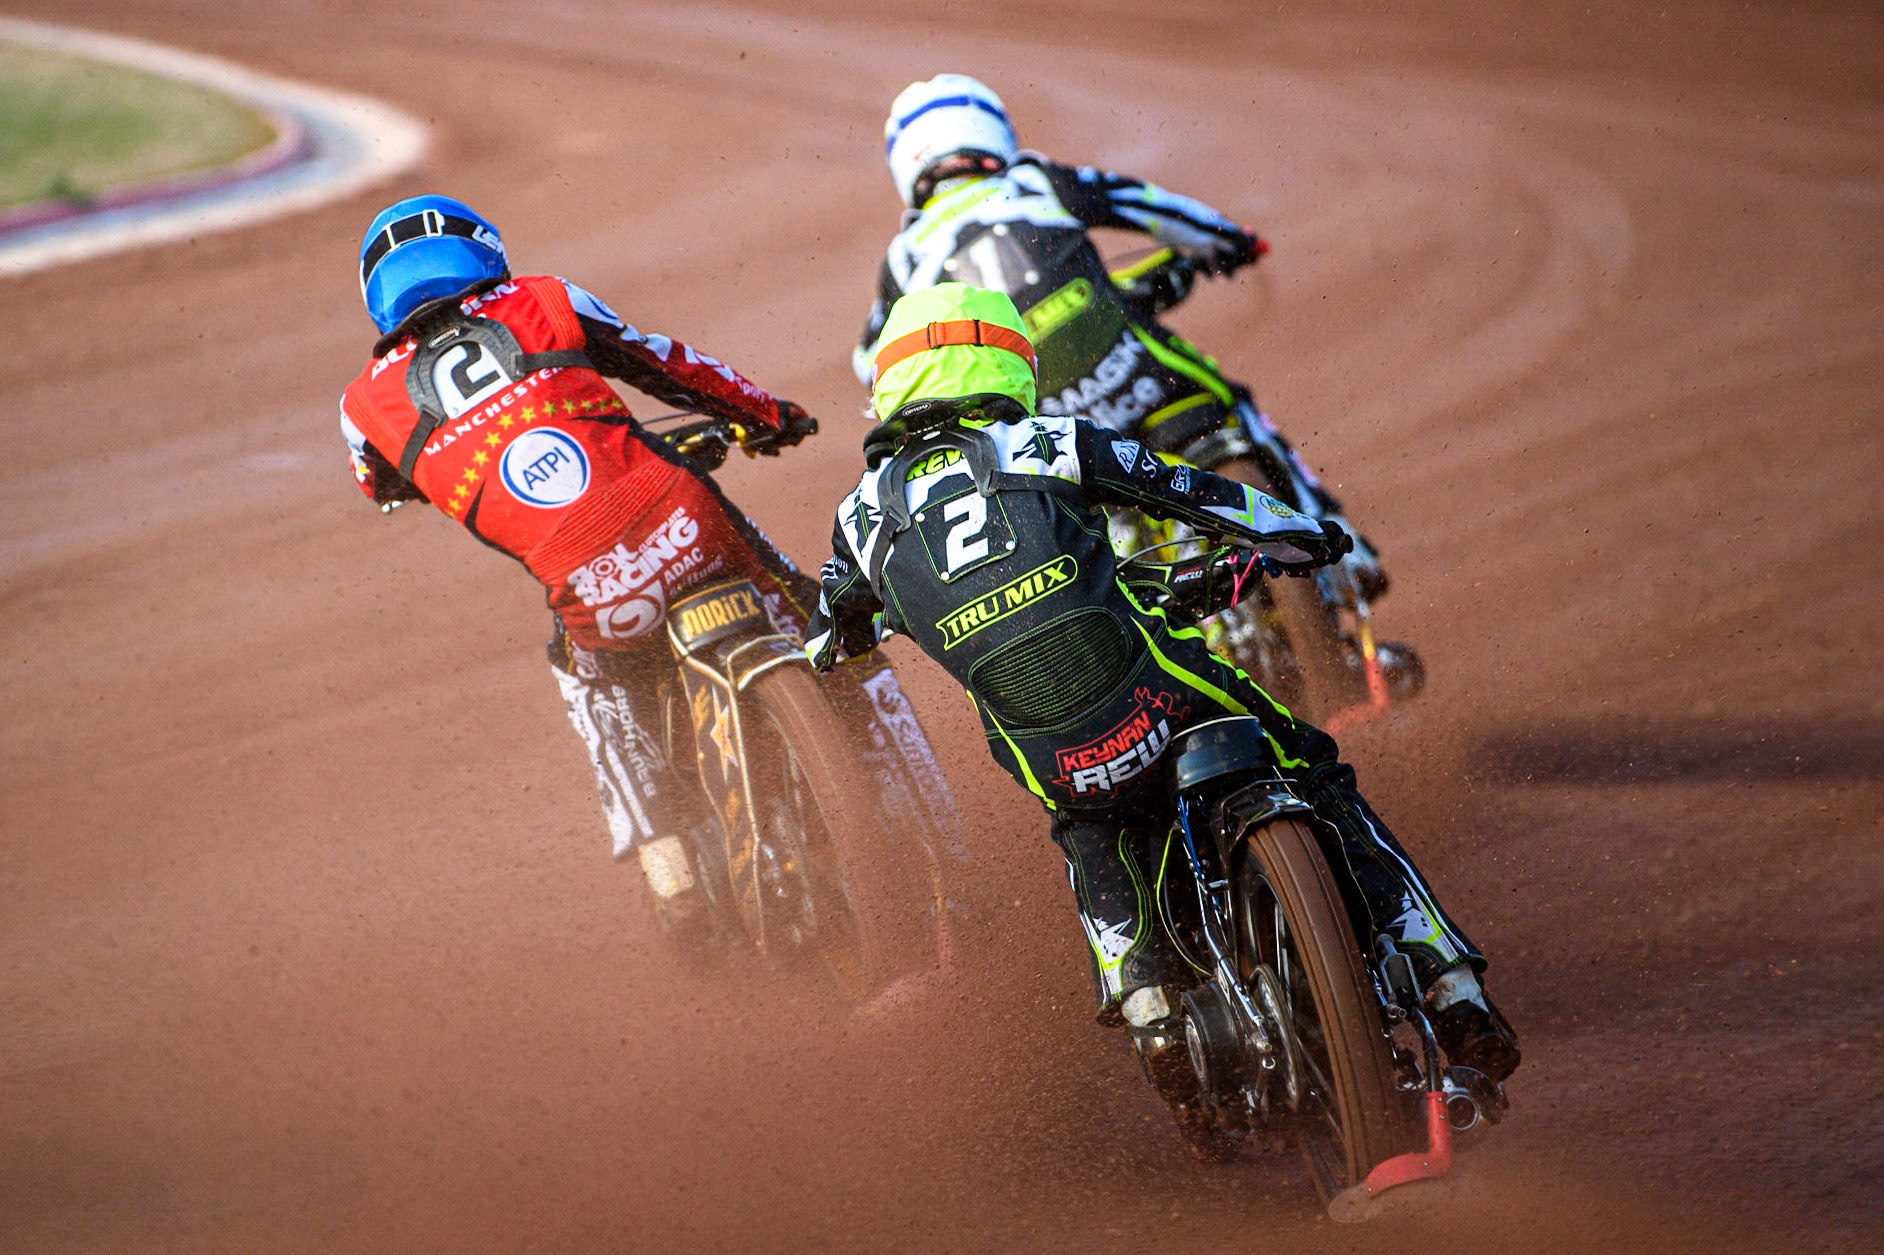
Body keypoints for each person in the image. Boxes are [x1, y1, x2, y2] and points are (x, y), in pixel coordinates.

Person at [808, 283, 1517, 1140]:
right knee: (1312, 764)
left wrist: (887, 613)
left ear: (890, 388)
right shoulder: (1046, 440)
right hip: (1151, 693)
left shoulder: (858, 518)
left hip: (1055, 752)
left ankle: (1142, 991)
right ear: (1005, 361)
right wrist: (1304, 537)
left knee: (1085, 823)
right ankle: (1445, 973)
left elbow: (831, 645)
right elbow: (1196, 493)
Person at [338, 194, 949, 941]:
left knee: (588, 684)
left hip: (588, 591)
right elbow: (667, 364)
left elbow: (380, 485)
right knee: (825, 619)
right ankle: (927, 813)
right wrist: (767, 415)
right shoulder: (543, 296)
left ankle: (670, 865)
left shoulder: (360, 403)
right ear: (479, 249)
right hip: (683, 519)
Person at [856, 73, 1418, 690]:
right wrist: (1230, 241)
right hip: (1147, 381)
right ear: (992, 129)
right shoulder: (1036, 183)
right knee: (1231, 406)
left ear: (906, 165)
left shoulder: (905, 258)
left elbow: (869, 361)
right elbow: (1153, 206)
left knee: (1088, 537)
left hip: (1046, 427)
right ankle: (1343, 549)